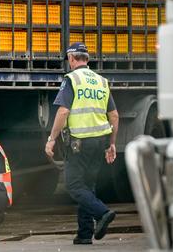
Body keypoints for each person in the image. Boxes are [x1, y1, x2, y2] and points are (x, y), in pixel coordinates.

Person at [45, 42, 119, 245]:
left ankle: (102, 212)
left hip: (79, 142)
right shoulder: (101, 81)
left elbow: (63, 111)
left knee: (74, 185)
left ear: (71, 58)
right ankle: (85, 234)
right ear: (87, 59)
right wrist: (112, 143)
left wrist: (51, 139)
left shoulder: (71, 79)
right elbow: (114, 115)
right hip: (100, 141)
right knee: (88, 184)